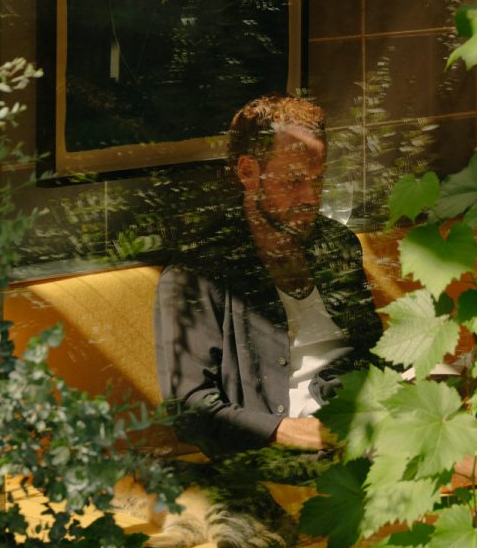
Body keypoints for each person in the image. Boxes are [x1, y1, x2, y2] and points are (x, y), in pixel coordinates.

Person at [154, 92, 381, 460]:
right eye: (293, 180)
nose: (310, 197)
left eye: (318, 180)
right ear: (248, 172)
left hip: (362, 423)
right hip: (286, 450)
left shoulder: (337, 245)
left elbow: (372, 352)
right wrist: (290, 432)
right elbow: (189, 411)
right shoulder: (198, 273)